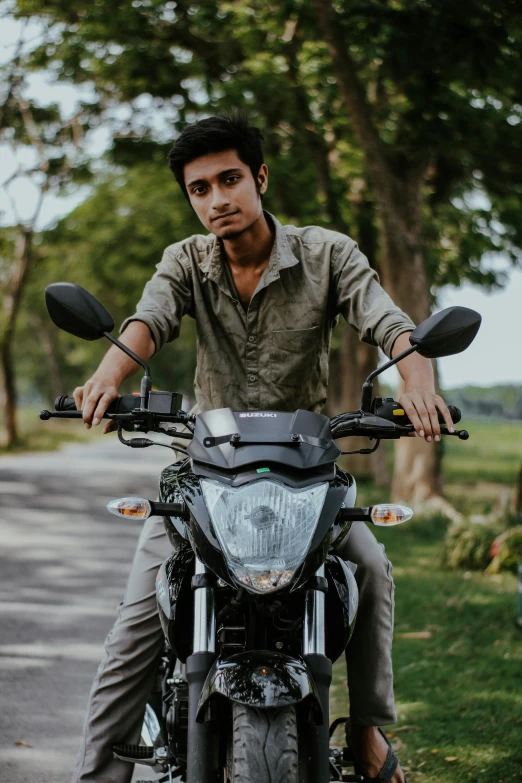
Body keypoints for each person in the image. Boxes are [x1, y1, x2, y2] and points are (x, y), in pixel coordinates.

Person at [72, 112, 455, 783]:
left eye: (229, 179)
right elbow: (149, 319)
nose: (217, 198)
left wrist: (418, 383)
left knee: (368, 565)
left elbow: (391, 325)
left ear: (260, 177)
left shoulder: (328, 253)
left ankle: (365, 731)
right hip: (204, 476)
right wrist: (107, 377)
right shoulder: (185, 261)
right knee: (132, 632)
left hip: (304, 478)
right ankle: (94, 777)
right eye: (199, 188)